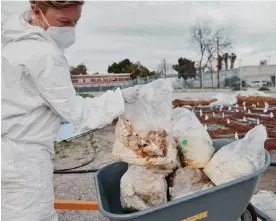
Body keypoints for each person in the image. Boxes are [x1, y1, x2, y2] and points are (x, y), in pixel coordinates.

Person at [1, 1, 140, 221]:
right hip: (23, 162)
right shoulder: (44, 53)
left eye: (75, 22)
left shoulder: (12, 39)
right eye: (64, 22)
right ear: (37, 11)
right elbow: (77, 113)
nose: (70, 30)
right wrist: (120, 98)